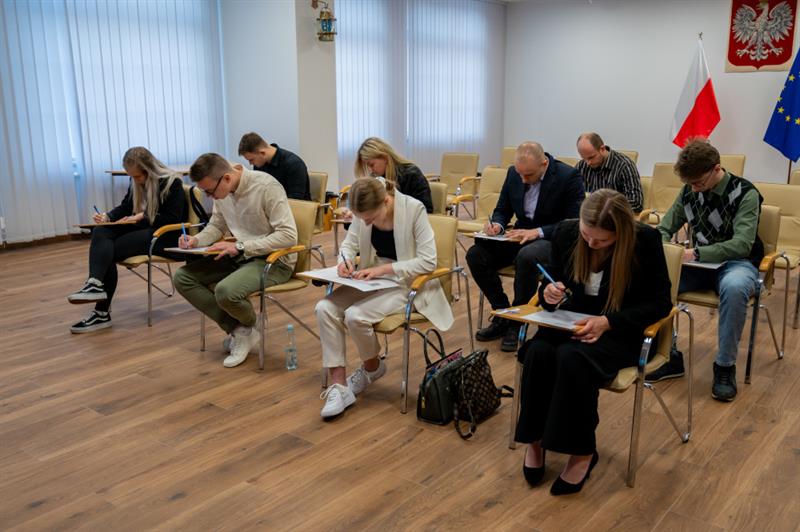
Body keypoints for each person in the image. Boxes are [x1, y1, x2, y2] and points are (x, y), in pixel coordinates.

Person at [515, 189, 672, 495]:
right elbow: (551, 282)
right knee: (538, 351)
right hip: (572, 322)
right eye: (586, 235)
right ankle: (534, 441)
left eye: (601, 240)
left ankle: (582, 451)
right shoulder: (566, 233)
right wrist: (549, 293)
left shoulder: (645, 241)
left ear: (620, 233)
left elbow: (660, 303)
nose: (590, 243)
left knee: (573, 359)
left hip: (622, 330)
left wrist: (608, 322)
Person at [315, 178, 453, 418]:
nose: (365, 222)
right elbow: (349, 245)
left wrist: (384, 270)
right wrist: (345, 261)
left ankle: (372, 367)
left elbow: (428, 261)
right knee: (324, 308)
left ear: (386, 201)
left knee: (355, 315)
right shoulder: (364, 211)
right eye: (362, 218)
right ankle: (339, 386)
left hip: (408, 282)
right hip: (372, 276)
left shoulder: (414, 209)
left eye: (370, 218)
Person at [648, 140, 763, 402]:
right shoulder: (689, 190)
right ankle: (668, 355)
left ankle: (724, 367)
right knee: (656, 280)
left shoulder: (745, 193)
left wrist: (697, 253)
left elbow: (742, 244)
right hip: (698, 264)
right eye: (689, 183)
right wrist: (665, 248)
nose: (693, 188)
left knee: (735, 288)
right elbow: (665, 228)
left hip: (737, 262)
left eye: (698, 182)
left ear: (716, 169)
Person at [173, 153, 298, 368]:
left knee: (225, 291)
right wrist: (196, 240)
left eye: (210, 191)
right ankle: (242, 329)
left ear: (227, 178)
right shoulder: (222, 191)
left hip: (273, 260)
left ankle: (245, 329)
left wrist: (241, 246)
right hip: (240, 254)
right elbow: (216, 225)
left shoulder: (266, 187)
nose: (209, 197)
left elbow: (288, 236)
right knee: (182, 277)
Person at [466, 141, 585, 352]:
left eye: (528, 175)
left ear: (544, 163)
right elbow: (502, 208)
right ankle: (503, 312)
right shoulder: (514, 173)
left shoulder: (568, 176)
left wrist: (538, 232)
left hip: (550, 239)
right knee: (476, 255)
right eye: (520, 174)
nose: (523, 179)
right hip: (519, 235)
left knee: (528, 256)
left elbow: (573, 222)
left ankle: (518, 321)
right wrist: (497, 225)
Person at [67, 147, 186, 333]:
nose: (135, 180)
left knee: (107, 251)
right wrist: (108, 216)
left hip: (165, 237)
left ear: (149, 170)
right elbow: (126, 206)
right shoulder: (136, 181)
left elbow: (172, 218)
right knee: (101, 231)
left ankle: (101, 313)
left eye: (137, 176)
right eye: (131, 176)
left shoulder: (172, 183)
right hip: (147, 229)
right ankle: (94, 284)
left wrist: (141, 217)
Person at [353, 137, 433, 213]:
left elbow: (426, 210)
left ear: (384, 157)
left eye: (372, 165)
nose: (370, 170)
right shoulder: (376, 179)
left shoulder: (412, 175)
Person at [575, 132, 643, 213]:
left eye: (591, 157)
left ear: (602, 149)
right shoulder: (582, 166)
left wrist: (604, 207)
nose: (588, 163)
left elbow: (636, 203)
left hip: (614, 217)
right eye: (584, 158)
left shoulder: (624, 165)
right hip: (587, 216)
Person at [238, 132, 311, 201]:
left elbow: (296, 200)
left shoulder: (294, 164)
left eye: (251, 160)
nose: (250, 164)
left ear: (262, 153)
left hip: (296, 208)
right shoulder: (259, 164)